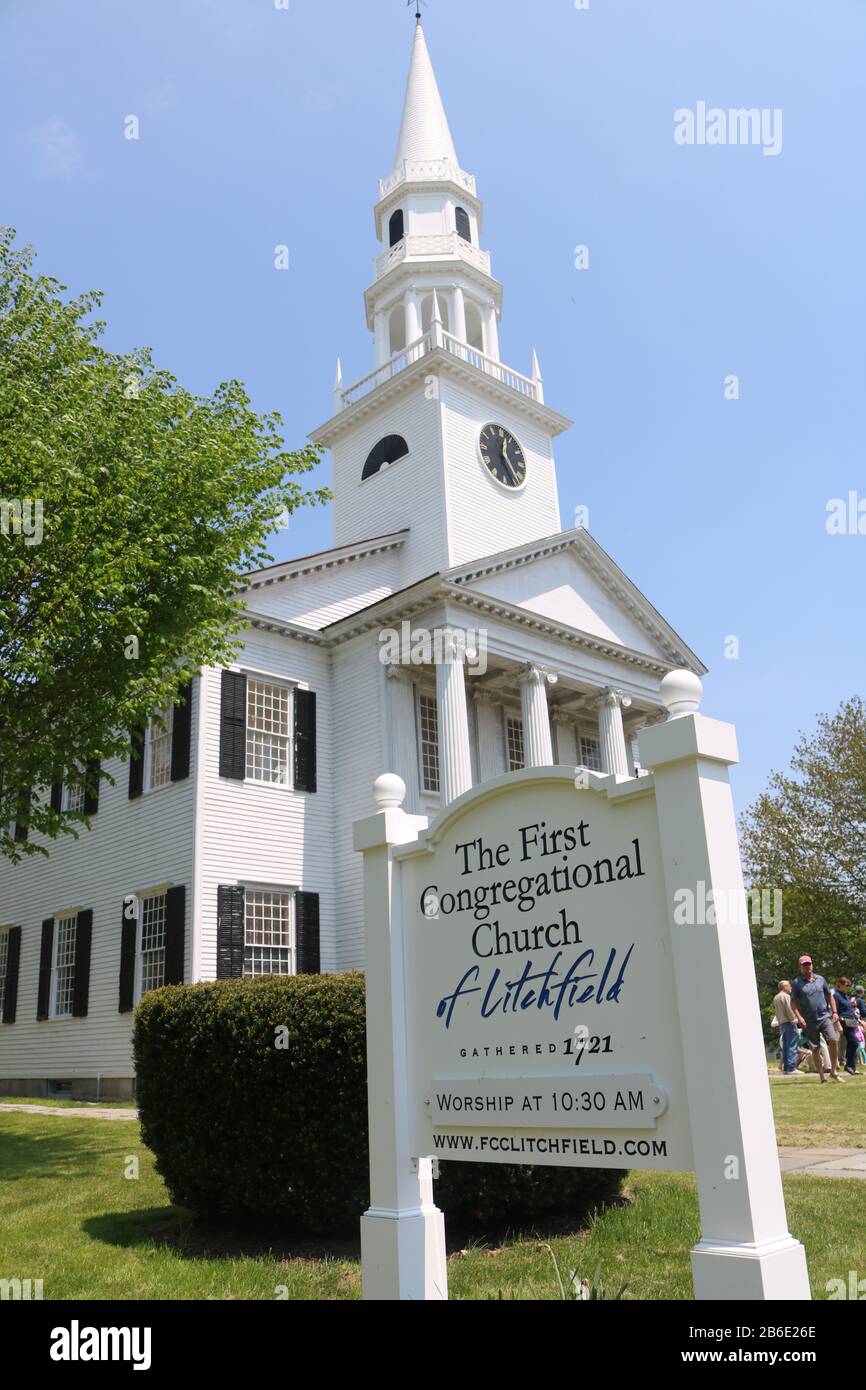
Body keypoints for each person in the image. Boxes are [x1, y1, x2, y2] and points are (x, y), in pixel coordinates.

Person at [791, 955, 843, 1083]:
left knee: (833, 1039)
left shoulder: (820, 979)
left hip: (825, 1016)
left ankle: (833, 1071)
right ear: (800, 967)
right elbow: (792, 1002)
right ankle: (822, 1077)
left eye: (809, 964)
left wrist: (835, 1011)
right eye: (804, 965)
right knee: (815, 1048)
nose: (807, 967)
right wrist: (799, 1017)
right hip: (809, 1020)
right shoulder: (797, 983)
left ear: (812, 965)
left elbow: (829, 996)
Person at [832, 978, 861, 1075]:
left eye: (849, 985)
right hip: (844, 1022)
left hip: (852, 1022)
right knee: (854, 1042)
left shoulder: (846, 996)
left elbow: (850, 1010)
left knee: (852, 1043)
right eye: (846, 985)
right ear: (840, 984)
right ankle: (848, 1065)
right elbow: (835, 1011)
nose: (848, 987)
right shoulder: (836, 995)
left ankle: (851, 1066)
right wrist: (838, 1024)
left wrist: (859, 1021)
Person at [773, 980, 800, 1074]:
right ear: (784, 987)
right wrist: (795, 1020)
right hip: (789, 1023)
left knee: (786, 1046)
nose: (791, 987)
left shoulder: (776, 997)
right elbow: (789, 1009)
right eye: (789, 986)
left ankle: (786, 1068)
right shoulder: (786, 996)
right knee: (792, 1045)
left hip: (782, 1024)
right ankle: (791, 1068)